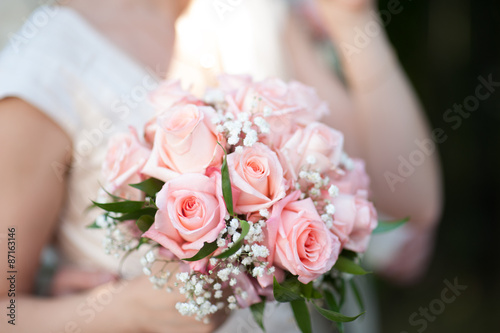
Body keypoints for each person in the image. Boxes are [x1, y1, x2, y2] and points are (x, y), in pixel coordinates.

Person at [0, 0, 442, 332]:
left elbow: (410, 203)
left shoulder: (247, 12)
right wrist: (118, 310)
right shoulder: (49, 67)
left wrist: (353, 20)